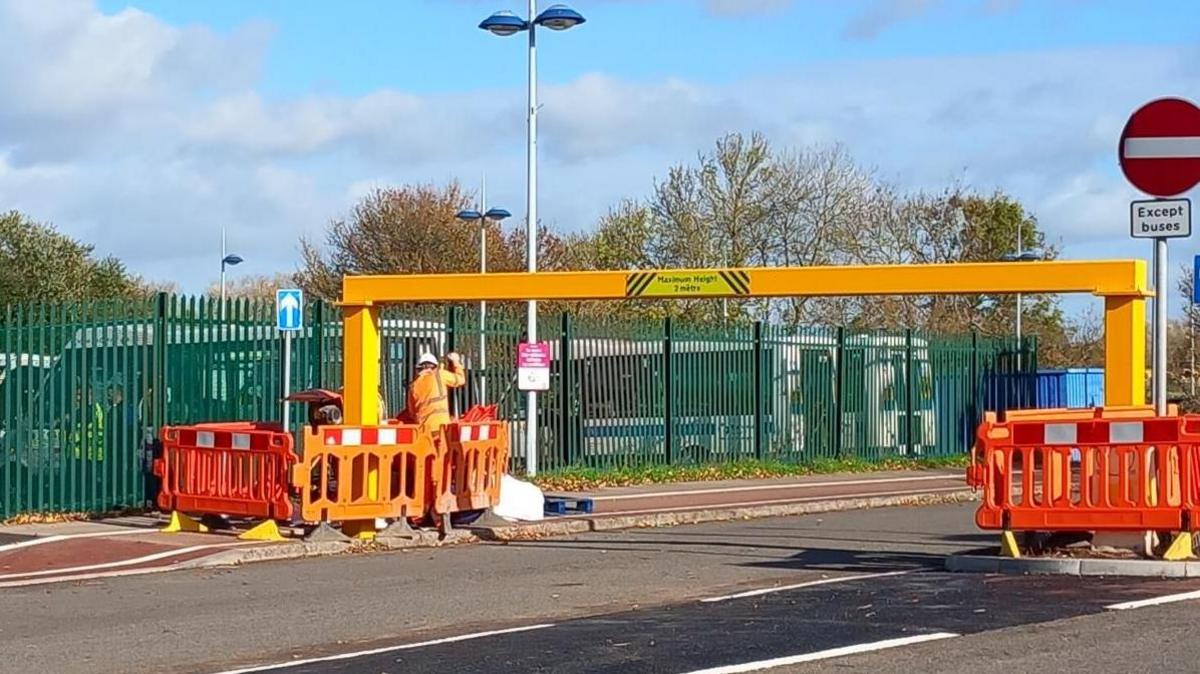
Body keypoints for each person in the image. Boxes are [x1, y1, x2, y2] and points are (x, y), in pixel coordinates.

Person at [405, 351, 465, 436]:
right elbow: (461, 379)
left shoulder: (413, 386)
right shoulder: (440, 375)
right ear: (435, 366)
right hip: (442, 428)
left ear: (418, 369)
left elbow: (412, 413)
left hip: (424, 431)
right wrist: (456, 362)